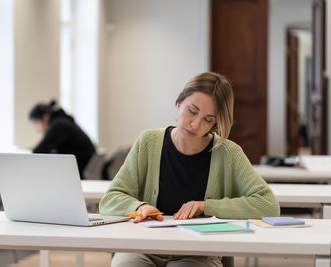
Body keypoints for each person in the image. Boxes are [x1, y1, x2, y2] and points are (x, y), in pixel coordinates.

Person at [99, 72, 280, 267]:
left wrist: (207, 207)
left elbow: (268, 205)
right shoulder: (149, 142)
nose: (196, 124)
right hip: (144, 246)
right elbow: (110, 199)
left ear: (216, 123)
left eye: (208, 120)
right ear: (180, 100)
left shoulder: (228, 153)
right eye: (192, 111)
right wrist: (139, 207)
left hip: (199, 252)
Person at [29, 100, 95, 179]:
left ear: (45, 117)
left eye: (36, 123)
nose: (37, 129)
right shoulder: (62, 120)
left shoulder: (58, 125)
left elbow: (38, 151)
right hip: (83, 166)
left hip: (79, 169)